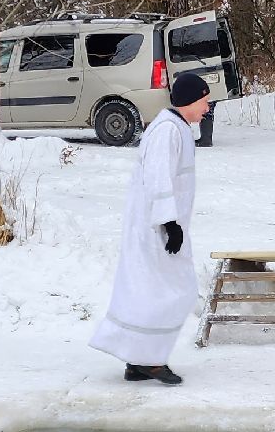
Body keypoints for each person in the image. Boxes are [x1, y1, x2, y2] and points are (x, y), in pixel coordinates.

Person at [90, 73, 214, 385]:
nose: (208, 105)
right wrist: (169, 222)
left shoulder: (175, 127)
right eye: (204, 99)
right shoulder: (167, 130)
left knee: (155, 289)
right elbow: (159, 177)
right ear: (189, 99)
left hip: (161, 224)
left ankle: (139, 359)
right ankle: (150, 360)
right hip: (155, 226)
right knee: (171, 290)